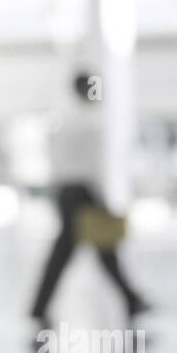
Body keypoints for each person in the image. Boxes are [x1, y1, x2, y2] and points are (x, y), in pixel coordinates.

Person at [30, 72, 151, 321]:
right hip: (84, 194)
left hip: (64, 193)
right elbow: (95, 168)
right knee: (96, 251)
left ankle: (132, 299)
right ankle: (132, 300)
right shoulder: (91, 123)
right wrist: (103, 200)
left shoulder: (62, 121)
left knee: (89, 253)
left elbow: (55, 162)